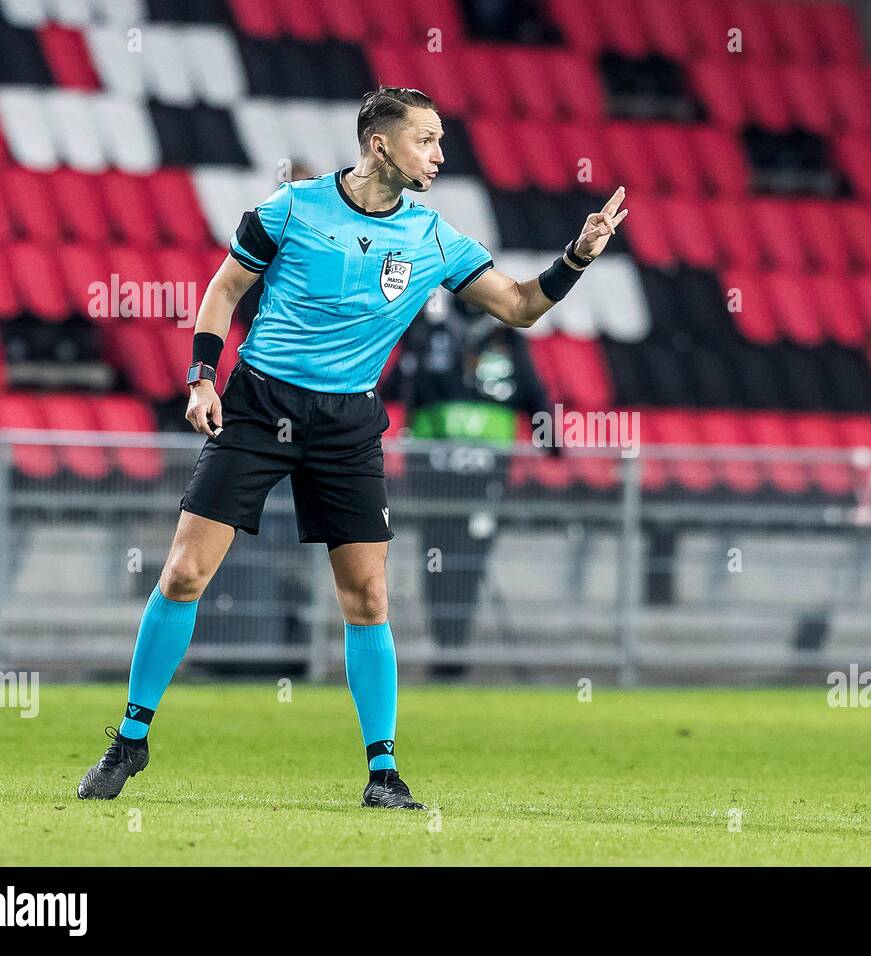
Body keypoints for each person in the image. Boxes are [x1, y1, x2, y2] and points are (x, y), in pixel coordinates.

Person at [77, 87, 628, 809]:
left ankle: (382, 773)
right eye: (426, 140)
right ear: (380, 144)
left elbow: (521, 305)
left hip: (347, 421)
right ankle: (131, 738)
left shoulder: (434, 238)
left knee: (367, 595)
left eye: (440, 141)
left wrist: (577, 257)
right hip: (258, 404)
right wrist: (201, 379)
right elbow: (222, 291)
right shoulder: (291, 209)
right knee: (184, 573)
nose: (438, 154)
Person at [381, 299, 555, 678]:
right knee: (438, 560)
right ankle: (447, 649)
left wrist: (552, 440)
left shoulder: (507, 339)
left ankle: (453, 648)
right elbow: (393, 387)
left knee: (467, 562)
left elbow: (534, 394)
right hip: (434, 478)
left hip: (485, 478)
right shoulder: (426, 333)